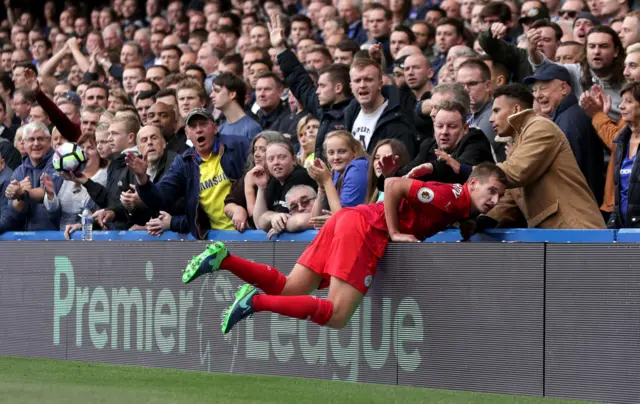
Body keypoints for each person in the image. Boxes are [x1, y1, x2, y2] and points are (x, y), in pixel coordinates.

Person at [182, 162, 507, 334]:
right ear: (473, 183)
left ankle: (224, 259)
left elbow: (432, 205)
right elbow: (393, 186)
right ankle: (256, 302)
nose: (493, 200)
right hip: (366, 228)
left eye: (499, 196)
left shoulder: (461, 206)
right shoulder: (452, 195)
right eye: (491, 190)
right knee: (337, 315)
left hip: (347, 219)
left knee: (291, 287)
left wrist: (469, 222)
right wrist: (394, 232)